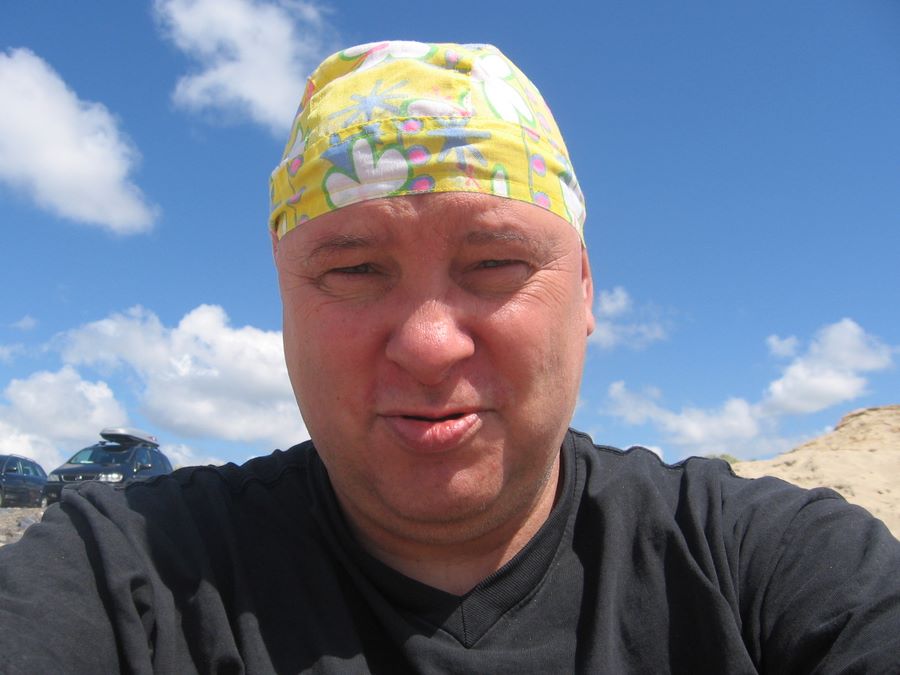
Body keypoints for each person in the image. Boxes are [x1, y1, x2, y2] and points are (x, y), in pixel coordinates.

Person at [0, 40, 898, 674]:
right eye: (355, 269)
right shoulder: (126, 575)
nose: (430, 345)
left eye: (496, 263)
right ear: (284, 299)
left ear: (586, 290)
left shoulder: (766, 568)